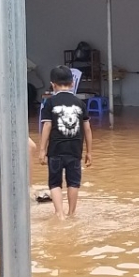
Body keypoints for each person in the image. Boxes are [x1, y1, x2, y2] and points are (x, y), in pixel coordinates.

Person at [0, 66, 50, 202]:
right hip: (6, 125)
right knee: (28, 147)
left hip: (12, 124)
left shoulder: (6, 72)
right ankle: (27, 189)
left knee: (23, 150)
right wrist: (3, 127)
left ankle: (17, 189)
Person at [38, 66, 92, 219]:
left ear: (53, 84)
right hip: (75, 151)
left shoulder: (50, 103)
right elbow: (87, 129)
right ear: (72, 84)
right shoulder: (80, 104)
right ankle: (71, 213)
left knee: (55, 182)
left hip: (55, 150)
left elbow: (47, 126)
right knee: (73, 182)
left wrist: (42, 150)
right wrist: (89, 152)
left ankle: (60, 214)